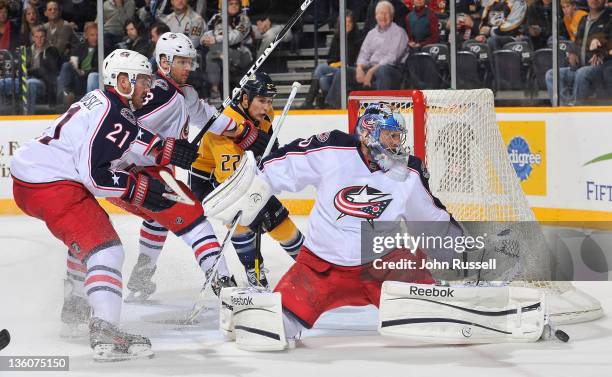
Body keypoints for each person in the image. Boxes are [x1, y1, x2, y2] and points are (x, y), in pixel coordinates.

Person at [10, 49, 197, 361]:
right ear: (122, 81)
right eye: (142, 81)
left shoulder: (103, 100)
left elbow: (129, 138)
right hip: (53, 185)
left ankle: (74, 306)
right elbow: (95, 177)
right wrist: (138, 188)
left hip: (33, 180)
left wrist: (168, 151)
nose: (148, 88)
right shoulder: (115, 112)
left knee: (85, 236)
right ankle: (105, 329)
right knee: (107, 250)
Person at [121, 33, 276, 300]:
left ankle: (141, 276)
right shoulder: (157, 92)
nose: (188, 67)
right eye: (181, 61)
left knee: (156, 217)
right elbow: (126, 129)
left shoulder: (185, 93)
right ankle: (223, 283)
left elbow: (208, 119)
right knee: (195, 220)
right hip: (132, 171)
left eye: (189, 62)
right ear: (164, 62)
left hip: (153, 173)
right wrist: (161, 148)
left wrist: (242, 131)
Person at [191, 72, 305, 289]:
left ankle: (311, 267)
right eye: (261, 101)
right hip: (208, 181)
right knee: (242, 211)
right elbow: (234, 183)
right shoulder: (224, 126)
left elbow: (269, 146)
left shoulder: (267, 114)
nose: (266, 107)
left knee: (277, 219)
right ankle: (253, 270)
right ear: (245, 99)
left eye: (269, 101)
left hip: (238, 173)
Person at [326, 0, 408, 108]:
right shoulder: (371, 34)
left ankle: (381, 110)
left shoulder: (399, 32)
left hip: (392, 70)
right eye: (380, 13)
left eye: (386, 13)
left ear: (392, 16)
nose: (382, 16)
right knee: (344, 73)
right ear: (375, 16)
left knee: (382, 71)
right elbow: (364, 54)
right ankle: (335, 110)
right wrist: (359, 68)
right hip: (370, 68)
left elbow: (391, 58)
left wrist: (370, 72)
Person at [545, 0, 610, 104]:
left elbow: (608, 40)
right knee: (552, 74)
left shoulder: (609, 19)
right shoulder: (584, 19)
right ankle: (563, 108)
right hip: (580, 66)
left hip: (600, 69)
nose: (594, 0)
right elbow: (577, 41)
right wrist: (572, 51)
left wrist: (601, 48)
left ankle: (577, 109)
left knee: (582, 73)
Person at [301, 10, 363, 109]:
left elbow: (357, 60)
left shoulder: (358, 38)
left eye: (349, 22)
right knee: (322, 74)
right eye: (344, 23)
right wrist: (338, 64)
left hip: (351, 70)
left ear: (353, 23)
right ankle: (312, 102)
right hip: (337, 68)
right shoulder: (337, 37)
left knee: (323, 76)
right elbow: (330, 59)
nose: (347, 25)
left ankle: (315, 102)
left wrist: (343, 64)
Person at [201, 0, 252, 99]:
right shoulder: (216, 17)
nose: (234, 6)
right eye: (231, 4)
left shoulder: (244, 19)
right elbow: (206, 34)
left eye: (236, 4)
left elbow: (235, 37)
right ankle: (222, 57)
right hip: (219, 51)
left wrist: (216, 39)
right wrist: (205, 40)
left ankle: (214, 89)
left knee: (211, 55)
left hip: (240, 52)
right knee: (210, 54)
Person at [57, 22, 99, 107]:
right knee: (66, 66)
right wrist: (74, 66)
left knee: (92, 76)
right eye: (92, 35)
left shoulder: (104, 48)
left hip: (90, 80)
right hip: (78, 79)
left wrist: (84, 72)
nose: (95, 38)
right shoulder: (80, 47)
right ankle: (66, 94)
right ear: (86, 36)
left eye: (97, 35)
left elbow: (102, 67)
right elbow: (73, 62)